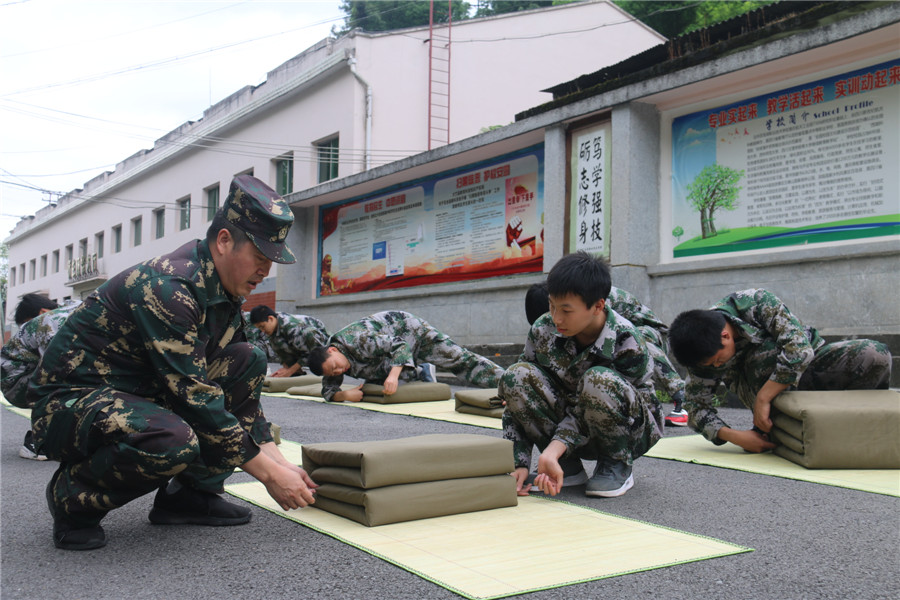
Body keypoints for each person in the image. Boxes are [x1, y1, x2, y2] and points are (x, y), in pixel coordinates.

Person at [28, 175, 318, 551]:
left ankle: (190, 495)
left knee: (248, 359)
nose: (265, 270)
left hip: (139, 394)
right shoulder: (170, 287)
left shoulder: (223, 291)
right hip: (70, 405)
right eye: (260, 257)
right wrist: (269, 476)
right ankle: (74, 499)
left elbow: (238, 387)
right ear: (224, 241)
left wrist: (280, 462)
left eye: (271, 261)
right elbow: (194, 396)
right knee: (172, 440)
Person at [502, 252, 663, 499]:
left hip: (631, 432)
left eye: (566, 310)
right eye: (552, 305)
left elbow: (592, 402)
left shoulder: (626, 340)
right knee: (517, 375)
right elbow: (516, 396)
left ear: (598, 306)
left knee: (598, 380)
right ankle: (567, 465)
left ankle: (616, 464)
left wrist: (554, 447)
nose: (556, 318)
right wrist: (519, 462)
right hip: (572, 429)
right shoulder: (544, 329)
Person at [669, 288, 892, 453]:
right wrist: (735, 436)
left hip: (813, 364)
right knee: (761, 358)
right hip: (773, 398)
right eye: (710, 365)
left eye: (717, 360)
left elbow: (799, 351)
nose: (716, 367)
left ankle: (861, 421)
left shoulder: (755, 302)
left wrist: (763, 398)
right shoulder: (699, 352)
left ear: (725, 336)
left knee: (874, 354)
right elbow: (695, 407)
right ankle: (787, 429)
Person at [525, 281, 688, 426]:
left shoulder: (591, 301)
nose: (555, 320)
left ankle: (681, 399)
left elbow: (627, 337)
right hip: (614, 338)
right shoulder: (567, 306)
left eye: (563, 312)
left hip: (648, 333)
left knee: (639, 341)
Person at [307, 310, 505, 403]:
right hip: (388, 357)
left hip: (412, 332)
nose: (339, 371)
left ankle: (509, 385)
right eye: (333, 372)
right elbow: (328, 390)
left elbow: (400, 345)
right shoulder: (330, 362)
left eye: (335, 367)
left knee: (460, 360)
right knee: (378, 387)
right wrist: (343, 395)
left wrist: (393, 376)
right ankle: (417, 371)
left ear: (333, 350)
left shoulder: (358, 339)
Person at [1, 296, 79, 460]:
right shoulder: (49, 322)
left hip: (35, 373)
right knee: (61, 376)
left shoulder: (71, 312)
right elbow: (55, 368)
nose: (28, 328)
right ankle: (39, 441)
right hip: (15, 383)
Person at [248, 305, 329, 377]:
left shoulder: (292, 327)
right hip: (301, 345)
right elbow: (281, 352)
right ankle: (297, 373)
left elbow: (308, 354)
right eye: (259, 328)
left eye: (262, 327)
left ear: (271, 319)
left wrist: (290, 371)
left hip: (322, 348)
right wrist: (284, 370)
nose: (262, 331)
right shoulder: (273, 328)